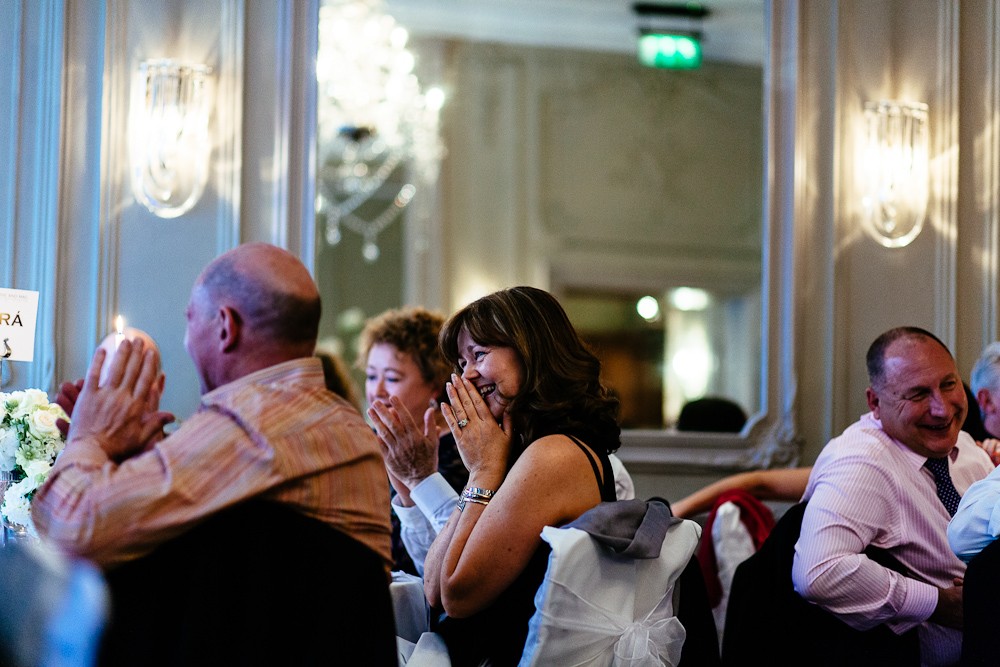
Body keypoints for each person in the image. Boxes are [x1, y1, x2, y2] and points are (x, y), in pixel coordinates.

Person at [32, 243, 392, 570]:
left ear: (225, 327)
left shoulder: (250, 425)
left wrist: (89, 436)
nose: (187, 339)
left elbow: (71, 529)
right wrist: (138, 454)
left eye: (190, 318)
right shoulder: (343, 425)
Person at [418, 286, 621, 666]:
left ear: (531, 351)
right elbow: (432, 589)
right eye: (462, 363)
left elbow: (456, 597)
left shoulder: (555, 455)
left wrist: (482, 470)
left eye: (479, 354)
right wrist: (484, 468)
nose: (469, 375)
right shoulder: (516, 451)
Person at [791, 326, 993, 665]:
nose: (943, 409)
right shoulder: (862, 461)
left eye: (949, 384)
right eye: (918, 395)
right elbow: (818, 573)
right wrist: (940, 603)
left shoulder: (966, 447)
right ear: (875, 402)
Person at [360, 306, 468, 574]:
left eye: (392, 377)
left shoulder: (460, 451)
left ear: (434, 384)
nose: (377, 390)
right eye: (372, 376)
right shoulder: (365, 441)